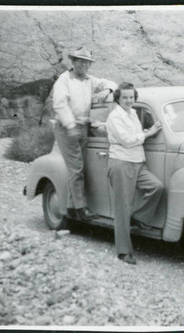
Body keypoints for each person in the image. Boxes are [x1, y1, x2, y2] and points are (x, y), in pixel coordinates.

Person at [52, 46, 118, 221]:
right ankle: (81, 208)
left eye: (87, 63)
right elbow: (59, 104)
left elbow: (111, 83)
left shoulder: (89, 80)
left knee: (79, 167)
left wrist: (108, 91)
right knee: (77, 168)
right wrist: (71, 125)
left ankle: (72, 207)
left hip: (83, 126)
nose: (84, 65)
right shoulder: (64, 79)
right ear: (73, 62)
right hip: (68, 127)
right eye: (80, 61)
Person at [106, 82, 164, 265]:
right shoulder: (114, 116)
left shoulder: (132, 114)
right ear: (118, 98)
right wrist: (148, 134)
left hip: (138, 162)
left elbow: (135, 136)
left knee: (156, 187)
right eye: (125, 97)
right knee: (122, 207)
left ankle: (138, 217)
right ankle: (124, 252)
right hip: (121, 163)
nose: (129, 100)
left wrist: (146, 132)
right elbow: (127, 140)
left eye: (131, 97)